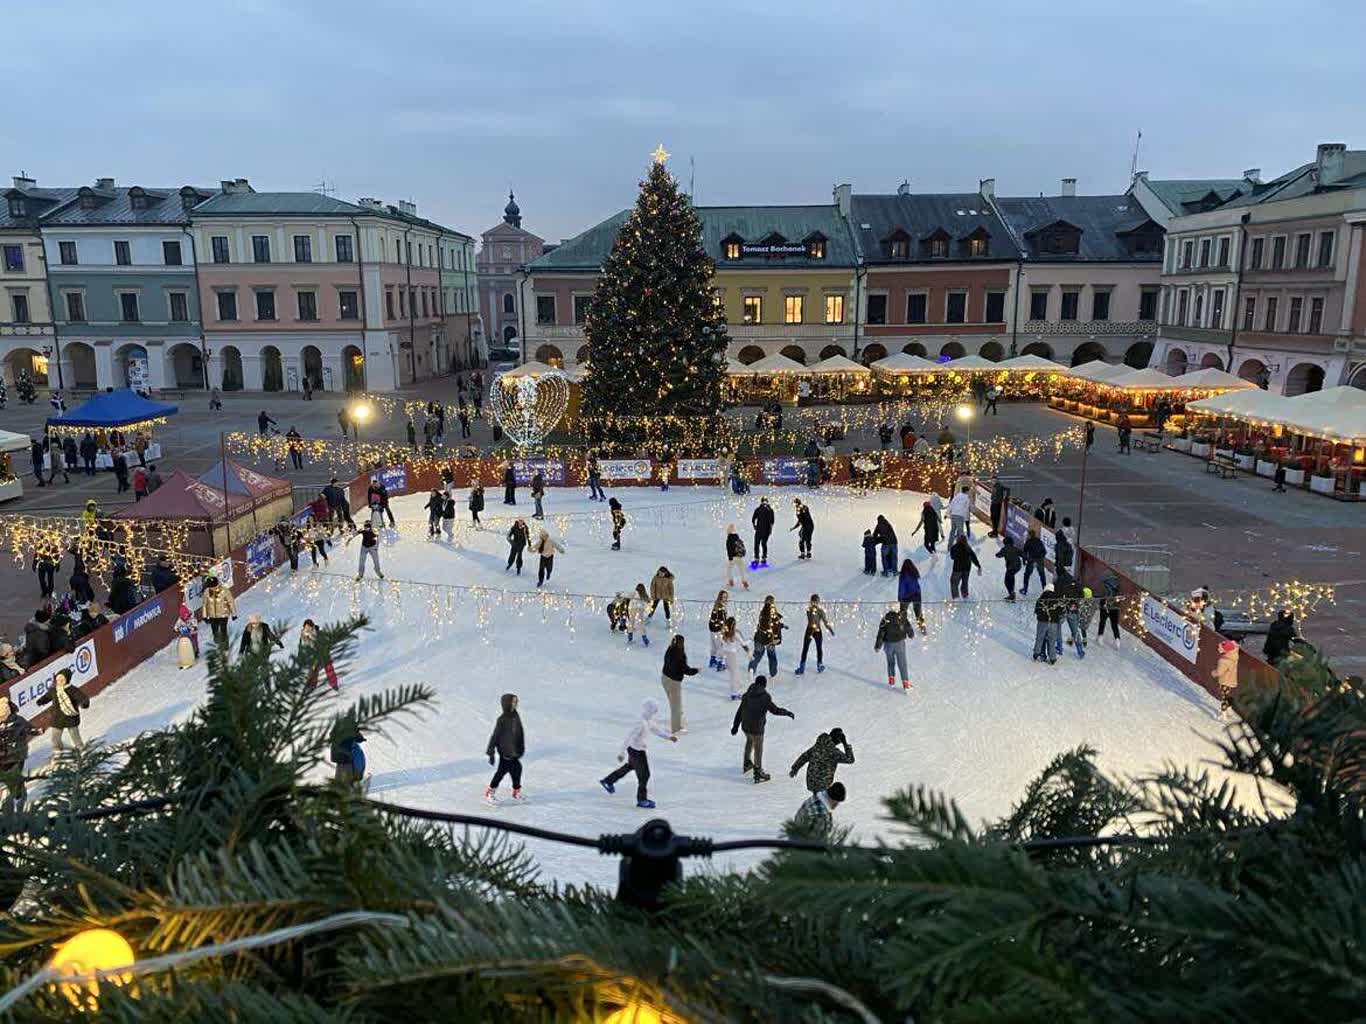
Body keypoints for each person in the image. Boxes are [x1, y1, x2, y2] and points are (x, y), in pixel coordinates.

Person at [599, 698, 677, 809]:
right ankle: (642, 800)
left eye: (655, 711)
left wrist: (669, 737)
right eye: (654, 710)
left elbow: (657, 730)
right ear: (648, 710)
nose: (655, 713)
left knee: (630, 766)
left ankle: (608, 781)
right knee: (644, 775)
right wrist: (621, 753)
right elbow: (629, 738)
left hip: (637, 750)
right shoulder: (641, 723)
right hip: (636, 752)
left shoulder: (648, 721)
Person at [732, 676, 795, 784]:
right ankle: (758, 771)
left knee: (749, 741)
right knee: (758, 749)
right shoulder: (765, 697)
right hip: (757, 728)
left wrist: (735, 726)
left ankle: (746, 763)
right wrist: (787, 712)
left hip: (746, 726)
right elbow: (775, 710)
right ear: (764, 685)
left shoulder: (747, 695)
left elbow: (740, 711)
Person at [484, 693, 527, 804]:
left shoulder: (515, 716)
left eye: (516, 702)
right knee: (501, 773)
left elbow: (519, 733)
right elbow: (495, 735)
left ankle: (516, 792)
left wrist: (520, 748)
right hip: (506, 753)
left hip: (514, 753)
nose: (515, 704)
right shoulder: (502, 719)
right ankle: (490, 792)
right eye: (513, 702)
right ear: (507, 703)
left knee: (517, 770)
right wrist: (491, 752)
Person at [37, 669, 89, 752]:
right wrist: (41, 701)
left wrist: (84, 703)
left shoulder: (72, 690)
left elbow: (81, 697)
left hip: (70, 717)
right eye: (58, 679)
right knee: (55, 738)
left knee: (75, 735)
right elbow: (47, 696)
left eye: (62, 680)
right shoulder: (54, 690)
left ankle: (80, 748)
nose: (59, 681)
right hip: (57, 718)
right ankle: (57, 749)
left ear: (67, 680)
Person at [790, 728, 854, 794]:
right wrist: (845, 743)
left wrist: (795, 768)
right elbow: (850, 759)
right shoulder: (833, 752)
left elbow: (804, 757)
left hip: (811, 782)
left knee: (818, 798)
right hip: (823, 784)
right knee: (822, 801)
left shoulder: (817, 746)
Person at [659, 634, 698, 734]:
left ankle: (678, 717)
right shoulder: (679, 655)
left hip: (665, 678)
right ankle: (676, 728)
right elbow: (686, 670)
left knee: (673, 702)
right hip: (673, 682)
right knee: (675, 705)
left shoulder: (669, 649)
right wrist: (696, 670)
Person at [0, 695, 34, 809]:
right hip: (3, 757)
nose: (2, 715)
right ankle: (14, 792)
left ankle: (19, 796)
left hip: (17, 754)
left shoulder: (18, 721)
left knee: (14, 775)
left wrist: (36, 731)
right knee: (7, 776)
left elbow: (29, 728)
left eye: (4, 713)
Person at [874, 606, 912, 690]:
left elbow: (881, 633)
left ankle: (891, 681)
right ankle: (905, 684)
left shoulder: (885, 619)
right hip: (899, 643)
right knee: (902, 664)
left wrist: (878, 646)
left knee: (890, 662)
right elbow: (907, 626)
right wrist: (911, 634)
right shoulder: (901, 617)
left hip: (888, 645)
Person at [795, 594, 834, 675]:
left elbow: (824, 622)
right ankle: (806, 667)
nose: (816, 602)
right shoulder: (811, 610)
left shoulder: (813, 610)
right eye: (815, 601)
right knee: (810, 648)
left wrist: (830, 629)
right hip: (814, 630)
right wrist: (829, 629)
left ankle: (809, 667)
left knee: (814, 648)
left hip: (812, 630)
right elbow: (815, 620)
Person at [748, 595, 785, 677]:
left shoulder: (762, 612)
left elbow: (766, 624)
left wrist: (781, 625)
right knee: (772, 656)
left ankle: (751, 669)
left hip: (759, 637)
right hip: (770, 639)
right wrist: (778, 634)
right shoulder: (773, 613)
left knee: (757, 655)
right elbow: (775, 625)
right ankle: (773, 672)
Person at [330, 716, 366, 793]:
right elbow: (357, 736)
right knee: (344, 778)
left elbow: (358, 736)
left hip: (341, 758)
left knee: (341, 776)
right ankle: (342, 793)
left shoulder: (339, 729)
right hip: (346, 759)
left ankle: (341, 790)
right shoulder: (348, 730)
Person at [299, 619, 338, 689]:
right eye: (306, 628)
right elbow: (301, 647)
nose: (308, 629)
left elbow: (328, 639)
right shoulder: (303, 637)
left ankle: (334, 684)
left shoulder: (319, 633)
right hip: (313, 656)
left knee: (329, 669)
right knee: (312, 671)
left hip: (323, 654)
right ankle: (311, 686)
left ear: (312, 627)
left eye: (309, 627)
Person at [719, 617, 750, 699]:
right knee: (734, 674)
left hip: (726, 654)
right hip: (731, 655)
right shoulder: (735, 634)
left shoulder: (723, 633)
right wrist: (748, 650)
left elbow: (722, 644)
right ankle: (734, 693)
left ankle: (737, 685)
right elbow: (743, 644)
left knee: (733, 673)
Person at [201, 575, 236, 647]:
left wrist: (234, 614)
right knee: (215, 631)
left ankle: (226, 646)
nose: (212, 588)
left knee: (223, 631)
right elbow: (205, 604)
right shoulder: (207, 592)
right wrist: (205, 616)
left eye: (213, 587)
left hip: (223, 614)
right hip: (212, 615)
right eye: (210, 587)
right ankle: (218, 643)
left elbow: (230, 602)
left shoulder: (224, 590)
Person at [1032, 587, 1061, 664]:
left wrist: (1041, 615)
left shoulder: (1040, 599)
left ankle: (1036, 654)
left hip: (1042, 622)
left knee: (1040, 638)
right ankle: (1052, 658)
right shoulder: (1057, 600)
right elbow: (1060, 612)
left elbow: (1037, 610)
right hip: (1053, 623)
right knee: (1052, 640)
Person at [948, 534, 981, 599]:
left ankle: (955, 597)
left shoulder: (954, 547)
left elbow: (952, 557)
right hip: (967, 568)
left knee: (954, 582)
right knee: (965, 582)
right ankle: (965, 594)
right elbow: (973, 557)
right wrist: (978, 566)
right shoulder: (968, 547)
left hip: (958, 568)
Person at [1215, 639, 1240, 717]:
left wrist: (1213, 673)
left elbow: (1219, 673)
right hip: (1232, 679)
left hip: (1225, 681)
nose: (1218, 649)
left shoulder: (1223, 661)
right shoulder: (1234, 654)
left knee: (1224, 697)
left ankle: (1224, 714)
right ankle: (1229, 709)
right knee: (1227, 695)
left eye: (1220, 648)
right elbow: (1234, 644)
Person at [897, 559, 924, 625]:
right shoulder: (914, 573)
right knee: (918, 613)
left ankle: (902, 626)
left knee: (903, 612)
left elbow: (902, 587)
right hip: (916, 595)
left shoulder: (903, 575)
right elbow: (917, 585)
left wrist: (900, 598)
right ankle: (922, 627)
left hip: (906, 596)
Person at [996, 536, 1023, 601]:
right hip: (1018, 566)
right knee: (1011, 577)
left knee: (1007, 581)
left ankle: (1012, 595)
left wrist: (999, 553)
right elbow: (1022, 554)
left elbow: (998, 555)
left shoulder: (1004, 549)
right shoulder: (1015, 548)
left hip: (1011, 567)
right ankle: (1012, 592)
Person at [1021, 528, 1047, 596]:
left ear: (1029, 535)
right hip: (1040, 560)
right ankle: (1045, 590)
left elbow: (1024, 552)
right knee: (1042, 575)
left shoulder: (1028, 542)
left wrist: (1024, 560)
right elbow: (1044, 551)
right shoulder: (1039, 541)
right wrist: (1041, 558)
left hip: (1031, 560)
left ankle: (1025, 589)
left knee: (1027, 575)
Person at [707, 591, 729, 670]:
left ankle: (712, 660)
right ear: (720, 597)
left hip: (713, 630)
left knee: (714, 646)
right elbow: (721, 620)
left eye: (726, 597)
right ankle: (720, 663)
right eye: (724, 597)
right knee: (720, 647)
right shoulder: (720, 608)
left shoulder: (718, 606)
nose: (725, 599)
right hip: (718, 630)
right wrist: (723, 628)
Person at [174, 604, 199, 669]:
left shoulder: (191, 618)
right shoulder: (180, 620)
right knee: (183, 644)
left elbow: (195, 625)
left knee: (193, 642)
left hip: (192, 634)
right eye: (183, 616)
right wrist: (178, 628)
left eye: (185, 615)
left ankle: (195, 652)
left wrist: (192, 628)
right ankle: (184, 657)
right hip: (184, 635)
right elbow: (175, 627)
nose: (185, 617)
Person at [751, 497, 775, 566]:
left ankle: (756, 559)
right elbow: (772, 522)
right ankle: (764, 558)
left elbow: (753, 519)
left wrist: (754, 526)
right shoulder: (770, 510)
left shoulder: (758, 509)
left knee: (757, 544)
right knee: (764, 544)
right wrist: (770, 530)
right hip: (767, 530)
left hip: (759, 529)